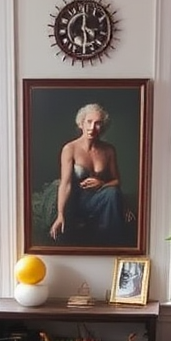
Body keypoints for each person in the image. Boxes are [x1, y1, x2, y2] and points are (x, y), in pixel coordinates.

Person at [49, 103, 135, 245]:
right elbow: (66, 183)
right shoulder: (70, 148)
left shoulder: (108, 150)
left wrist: (102, 184)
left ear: (103, 127)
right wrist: (60, 214)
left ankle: (112, 245)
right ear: (81, 123)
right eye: (89, 122)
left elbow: (116, 181)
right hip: (77, 201)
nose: (92, 127)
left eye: (98, 123)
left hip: (98, 199)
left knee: (112, 193)